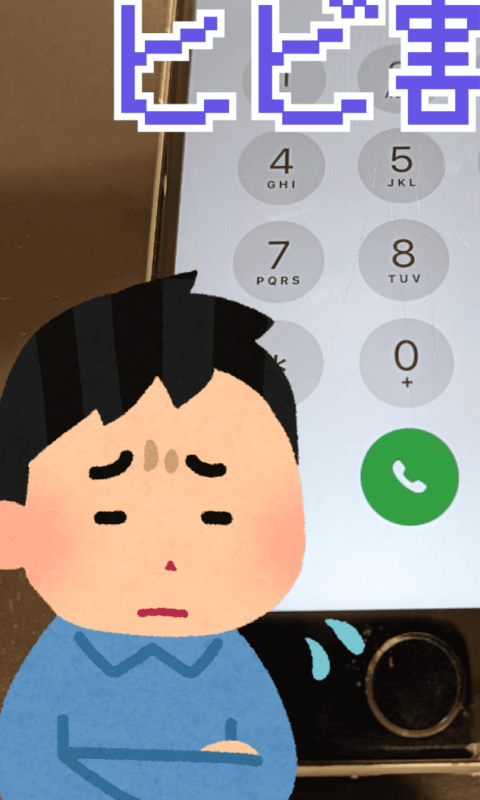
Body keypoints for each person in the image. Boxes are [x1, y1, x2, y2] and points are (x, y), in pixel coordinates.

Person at [0, 272, 303, 800]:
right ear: (13, 527)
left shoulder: (229, 663)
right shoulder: (61, 666)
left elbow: (270, 767)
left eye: (217, 517)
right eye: (111, 517)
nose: (168, 559)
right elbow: (26, 767)